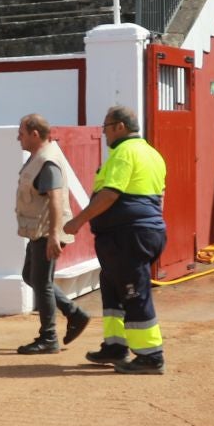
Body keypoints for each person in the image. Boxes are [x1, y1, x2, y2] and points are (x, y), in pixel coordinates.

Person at [63, 105, 169, 375]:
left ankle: (150, 355)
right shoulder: (152, 154)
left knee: (134, 292)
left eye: (106, 128)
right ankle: (115, 346)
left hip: (128, 236)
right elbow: (160, 195)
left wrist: (78, 221)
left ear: (120, 127)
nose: (105, 134)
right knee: (112, 287)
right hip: (140, 232)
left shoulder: (124, 153)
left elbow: (110, 193)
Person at [13, 113, 90, 355]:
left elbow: (56, 199)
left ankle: (49, 337)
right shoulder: (40, 157)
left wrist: (54, 235)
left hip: (47, 230)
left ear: (35, 134)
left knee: (42, 283)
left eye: (22, 133)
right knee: (31, 276)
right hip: (39, 229)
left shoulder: (47, 161)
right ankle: (73, 313)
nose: (19, 138)